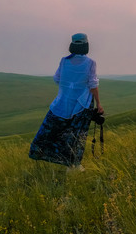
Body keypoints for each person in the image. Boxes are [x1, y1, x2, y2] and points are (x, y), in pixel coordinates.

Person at [29, 33, 104, 169]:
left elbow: (57, 79)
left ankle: (45, 156)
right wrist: (99, 104)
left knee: (52, 132)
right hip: (81, 105)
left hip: (61, 103)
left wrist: (69, 86)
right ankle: (74, 165)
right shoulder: (91, 63)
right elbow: (93, 85)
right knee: (76, 136)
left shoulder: (64, 61)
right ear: (86, 45)